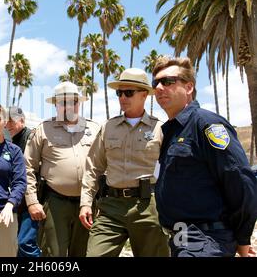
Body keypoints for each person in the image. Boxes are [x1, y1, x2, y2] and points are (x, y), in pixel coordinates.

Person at [152, 56, 257, 257]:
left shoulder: (206, 124)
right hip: (183, 240)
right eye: (156, 82)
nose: (159, 87)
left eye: (167, 81)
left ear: (189, 87)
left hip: (206, 240)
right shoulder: (172, 132)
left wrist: (243, 239)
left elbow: (241, 181)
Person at [79, 68, 169, 257]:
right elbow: (93, 167)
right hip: (111, 206)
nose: (122, 97)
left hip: (148, 208)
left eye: (129, 93)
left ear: (144, 95)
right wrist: (86, 203)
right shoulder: (108, 127)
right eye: (119, 92)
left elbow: (171, 172)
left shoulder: (160, 129)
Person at [24, 81, 100, 257]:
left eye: (73, 102)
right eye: (62, 103)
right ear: (56, 105)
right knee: (53, 254)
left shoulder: (94, 129)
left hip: (87, 204)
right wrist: (32, 201)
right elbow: (27, 167)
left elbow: (103, 165)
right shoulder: (43, 130)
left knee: (83, 253)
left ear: (79, 103)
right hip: (55, 202)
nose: (68, 107)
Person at [0, 103, 27, 257]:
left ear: (4, 122)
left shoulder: (14, 151)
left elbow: (20, 182)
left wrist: (10, 205)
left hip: (4, 214)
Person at [6, 106, 41, 257]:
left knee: (25, 243)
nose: (8, 125)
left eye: (12, 121)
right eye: (6, 121)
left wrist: (33, 201)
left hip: (32, 201)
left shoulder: (30, 138)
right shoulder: (12, 141)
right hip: (18, 202)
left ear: (22, 120)